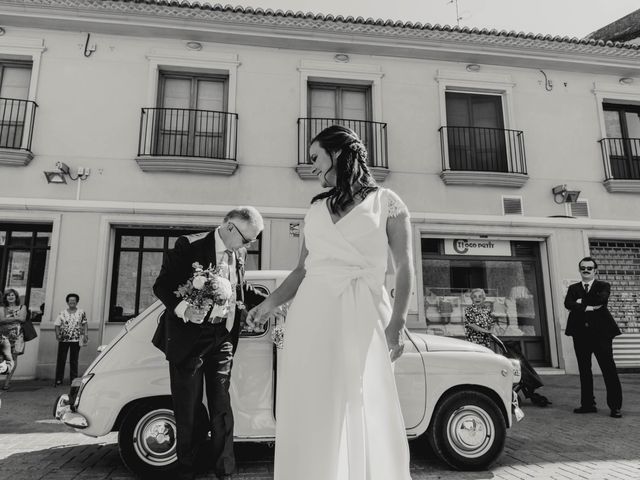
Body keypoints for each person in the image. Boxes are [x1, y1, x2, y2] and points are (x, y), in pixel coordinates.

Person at [246, 125, 413, 480]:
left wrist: (397, 325)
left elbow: (404, 269)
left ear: (336, 154)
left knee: (365, 400)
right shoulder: (315, 208)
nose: (311, 167)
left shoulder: (388, 202)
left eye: (314, 158)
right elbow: (302, 269)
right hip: (313, 313)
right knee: (313, 401)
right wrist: (268, 304)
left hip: (367, 313)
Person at [152, 207, 267, 480]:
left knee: (221, 405)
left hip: (222, 338)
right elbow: (162, 285)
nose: (248, 245)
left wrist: (270, 304)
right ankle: (188, 469)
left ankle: (224, 470)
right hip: (188, 339)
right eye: (246, 239)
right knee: (188, 408)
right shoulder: (188, 245)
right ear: (229, 227)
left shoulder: (239, 254)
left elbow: (242, 290)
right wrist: (183, 308)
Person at [564, 256, 623, 418]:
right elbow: (568, 303)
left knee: (608, 369)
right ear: (579, 269)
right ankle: (588, 404)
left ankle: (615, 406)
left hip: (601, 334)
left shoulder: (603, 285)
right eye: (583, 268)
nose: (586, 270)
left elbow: (602, 300)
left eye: (589, 268)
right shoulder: (573, 288)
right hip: (580, 334)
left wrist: (580, 303)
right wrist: (589, 306)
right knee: (584, 370)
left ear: (595, 270)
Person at [54, 293, 88, 386]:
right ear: (67, 302)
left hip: (76, 340)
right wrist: (58, 335)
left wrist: (85, 334)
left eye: (74, 300)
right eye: (70, 300)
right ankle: (59, 379)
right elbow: (57, 325)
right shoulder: (62, 313)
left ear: (77, 302)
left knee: (74, 360)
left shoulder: (81, 312)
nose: (72, 302)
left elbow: (85, 324)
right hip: (64, 339)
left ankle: (73, 380)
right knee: (61, 359)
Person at [0, 289, 27, 390]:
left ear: (16, 297)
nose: (10, 297)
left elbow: (23, 319)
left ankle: (7, 382)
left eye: (12, 295)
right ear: (5, 298)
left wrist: (8, 319)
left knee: (14, 358)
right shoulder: (2, 308)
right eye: (8, 295)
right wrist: (16, 318)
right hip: (3, 335)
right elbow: (1, 320)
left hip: (18, 336)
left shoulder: (22, 307)